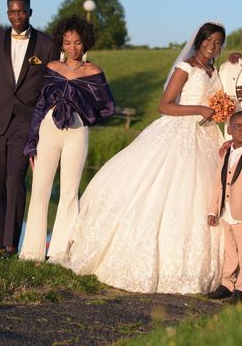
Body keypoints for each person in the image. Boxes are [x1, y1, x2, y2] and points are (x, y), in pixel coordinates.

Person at [66, 22, 226, 294]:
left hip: (207, 136)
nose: (212, 45)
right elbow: (165, 105)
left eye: (218, 42)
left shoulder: (215, 70)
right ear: (199, 40)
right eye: (208, 39)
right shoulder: (185, 67)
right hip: (180, 132)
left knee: (205, 197)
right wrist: (200, 108)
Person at [19, 16, 115, 263]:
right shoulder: (51, 68)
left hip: (76, 132)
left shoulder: (94, 72)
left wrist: (82, 111)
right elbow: (40, 106)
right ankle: (31, 253)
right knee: (39, 190)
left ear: (85, 44)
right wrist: (31, 142)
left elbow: (108, 108)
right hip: (48, 130)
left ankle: (60, 253)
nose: (73, 48)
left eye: (77, 43)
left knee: (70, 192)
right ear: (62, 43)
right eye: (68, 42)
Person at [0, 0, 56, 258]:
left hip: (26, 122)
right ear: (7, 13)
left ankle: (10, 246)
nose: (16, 16)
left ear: (30, 12)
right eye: (12, 11)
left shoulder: (46, 45)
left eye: (21, 11)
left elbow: (50, 87)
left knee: (15, 181)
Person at [206, 111, 242, 303]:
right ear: (230, 129)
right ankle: (227, 284)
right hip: (226, 211)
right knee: (230, 251)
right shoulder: (226, 152)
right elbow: (219, 183)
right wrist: (213, 210)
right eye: (238, 126)